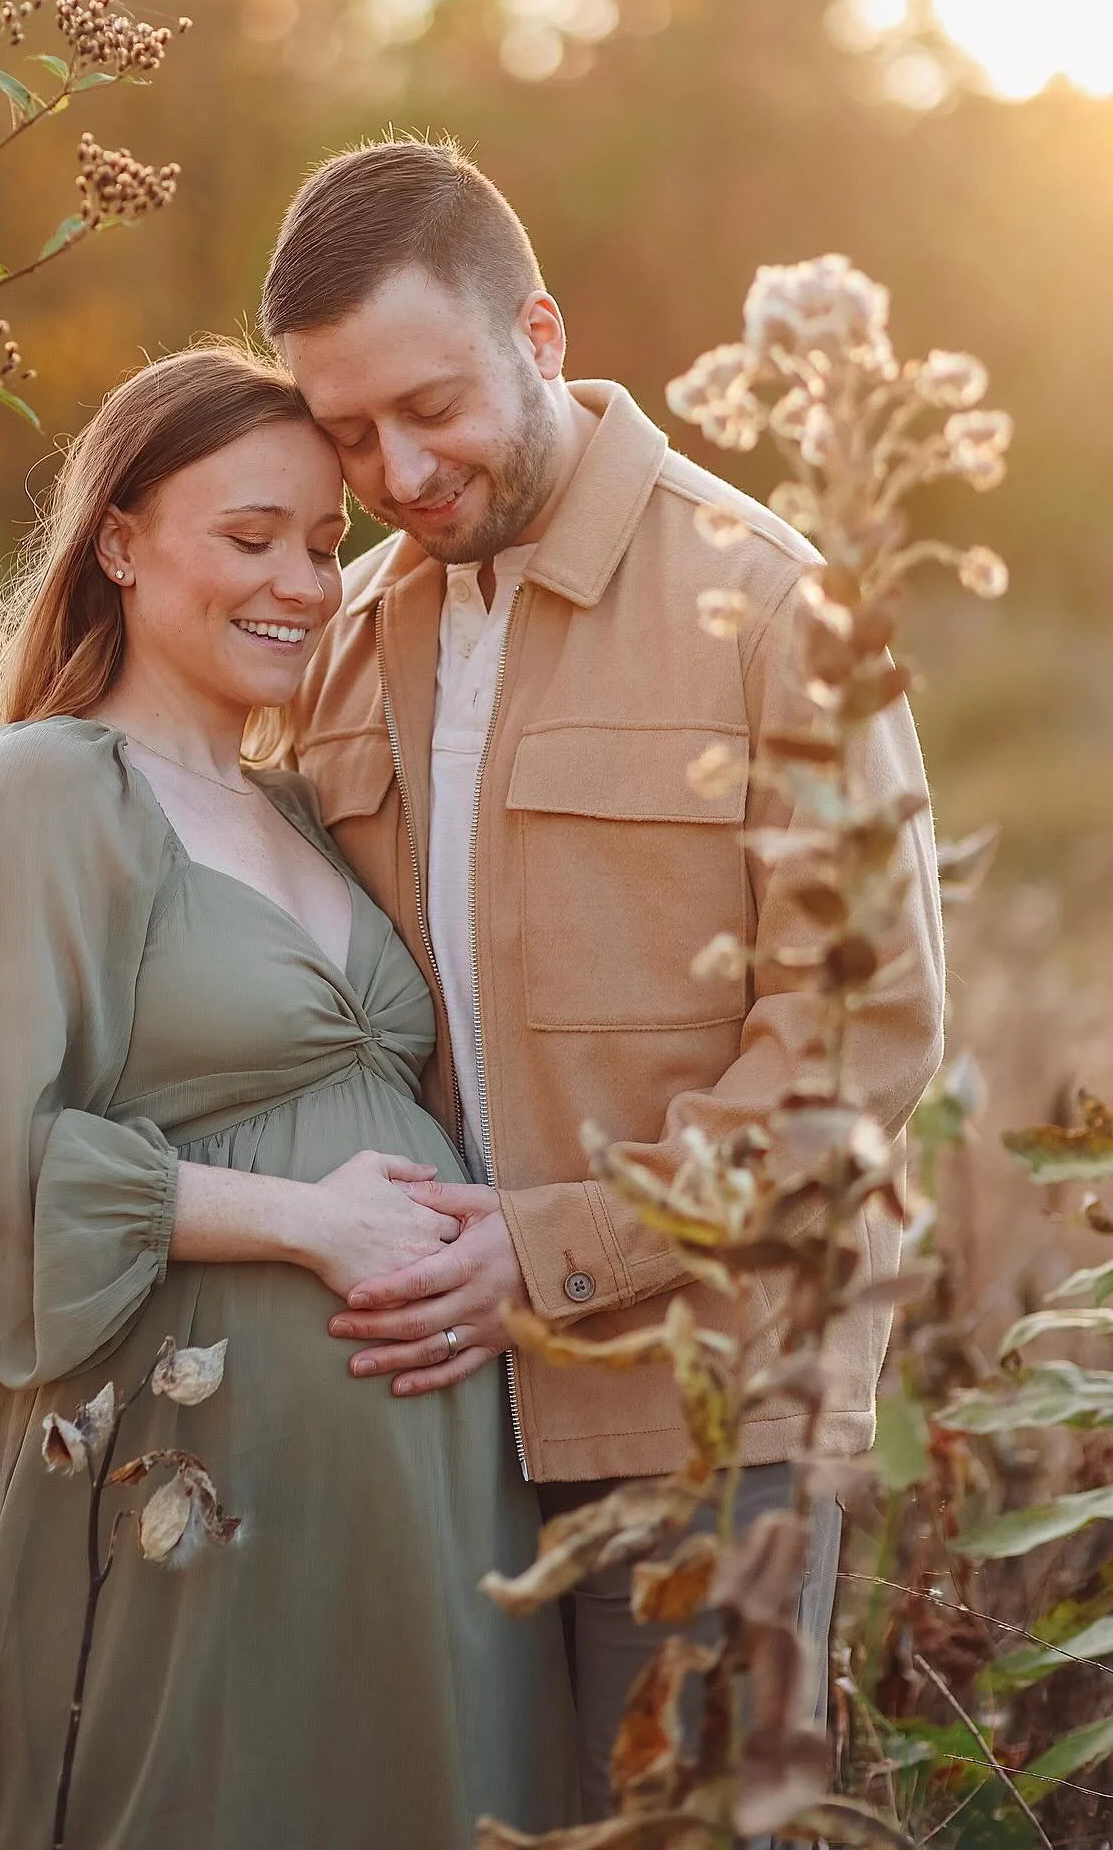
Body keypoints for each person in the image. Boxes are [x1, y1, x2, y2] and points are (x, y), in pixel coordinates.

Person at [262, 140, 946, 1820]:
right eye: (347, 434)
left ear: (542, 335)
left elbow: (857, 1047)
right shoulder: (341, 635)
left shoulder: (770, 605)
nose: (398, 470)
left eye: (432, 406)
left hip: (706, 1419)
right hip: (425, 1424)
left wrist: (557, 1248)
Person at [0, 344, 577, 1850]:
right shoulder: (45, 789)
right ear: (120, 544)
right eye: (250, 537)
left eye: (325, 545)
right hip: (186, 1486)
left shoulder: (299, 806)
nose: (302, 584)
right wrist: (302, 1223)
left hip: (427, 1490)